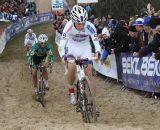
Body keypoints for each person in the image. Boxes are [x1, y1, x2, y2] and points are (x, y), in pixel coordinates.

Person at [59, 5, 101, 109]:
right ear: (73, 21)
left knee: (89, 73)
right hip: (72, 48)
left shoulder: (90, 26)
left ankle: (93, 101)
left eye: (83, 23)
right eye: (79, 24)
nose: (82, 26)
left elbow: (95, 41)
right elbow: (61, 45)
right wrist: (63, 56)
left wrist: (98, 51)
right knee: (72, 67)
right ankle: (71, 91)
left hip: (85, 48)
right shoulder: (68, 26)